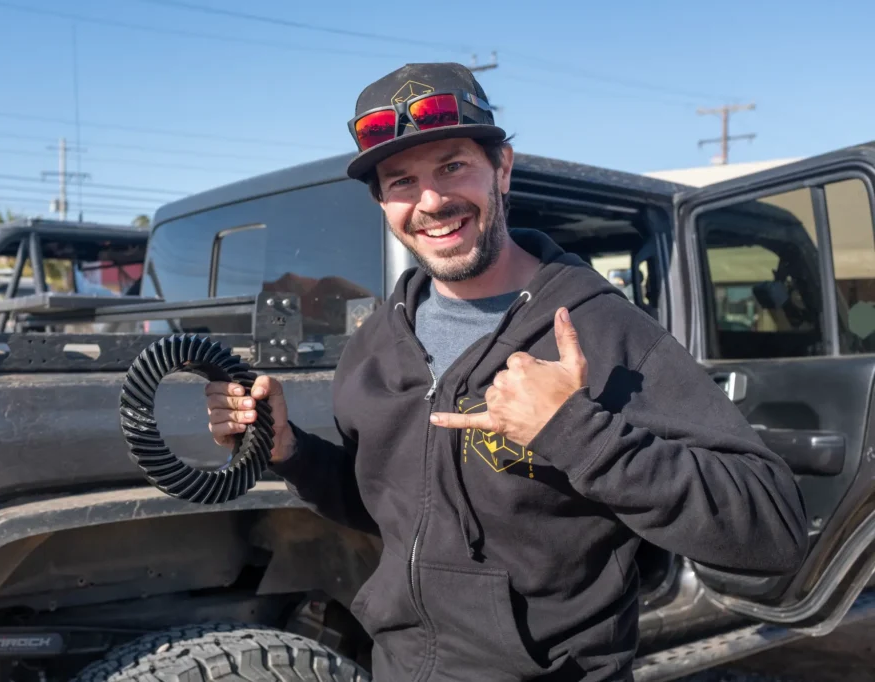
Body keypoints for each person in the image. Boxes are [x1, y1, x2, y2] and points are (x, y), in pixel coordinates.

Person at [203, 62, 807, 682]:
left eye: (452, 165)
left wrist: (576, 431)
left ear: (503, 168)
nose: (431, 201)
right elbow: (391, 508)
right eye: (401, 180)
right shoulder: (378, 342)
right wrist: (291, 453)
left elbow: (773, 531)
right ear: (382, 201)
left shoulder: (604, 331)